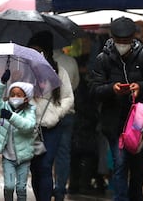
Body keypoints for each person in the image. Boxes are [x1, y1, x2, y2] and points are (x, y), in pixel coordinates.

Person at [89, 17, 143, 201]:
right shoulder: (102, 59)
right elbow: (94, 89)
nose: (122, 45)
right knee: (120, 165)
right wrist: (112, 89)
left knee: (137, 169)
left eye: (126, 41)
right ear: (112, 37)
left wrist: (140, 87)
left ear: (133, 37)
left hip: (138, 123)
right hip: (114, 123)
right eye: (119, 41)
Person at [27, 31, 74, 201]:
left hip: (52, 127)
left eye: (38, 51)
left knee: (46, 165)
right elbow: (12, 96)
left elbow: (68, 98)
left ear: (46, 52)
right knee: (35, 168)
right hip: (30, 128)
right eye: (31, 51)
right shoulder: (24, 72)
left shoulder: (59, 72)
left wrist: (57, 113)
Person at [0, 69, 36, 201]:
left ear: (26, 98)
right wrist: (2, 82)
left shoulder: (30, 111)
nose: (15, 97)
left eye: (18, 95)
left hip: (23, 158)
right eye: (12, 94)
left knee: (21, 188)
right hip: (8, 157)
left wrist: (11, 117)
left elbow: (28, 126)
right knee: (9, 186)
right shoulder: (4, 108)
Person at [52, 49, 80, 200]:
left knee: (46, 153)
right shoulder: (71, 61)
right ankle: (60, 189)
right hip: (68, 112)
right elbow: (75, 85)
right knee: (63, 153)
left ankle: (46, 186)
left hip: (48, 114)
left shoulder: (40, 62)